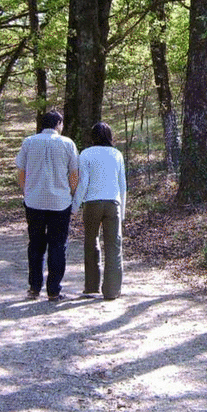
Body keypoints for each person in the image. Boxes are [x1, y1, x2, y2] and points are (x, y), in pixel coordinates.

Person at [15, 110, 79, 301]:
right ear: (58, 123)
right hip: (60, 202)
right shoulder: (67, 143)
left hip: (34, 201)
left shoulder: (29, 142)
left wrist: (25, 190)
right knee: (58, 245)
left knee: (35, 244)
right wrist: (71, 193)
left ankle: (34, 288)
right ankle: (54, 290)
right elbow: (74, 174)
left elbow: (20, 171)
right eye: (62, 123)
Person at [72, 122, 127, 300]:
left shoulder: (86, 154)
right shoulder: (117, 154)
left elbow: (83, 184)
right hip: (113, 204)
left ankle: (91, 287)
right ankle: (112, 291)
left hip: (92, 203)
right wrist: (123, 211)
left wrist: (75, 206)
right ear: (110, 136)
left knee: (91, 242)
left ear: (92, 136)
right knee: (114, 246)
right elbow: (122, 185)